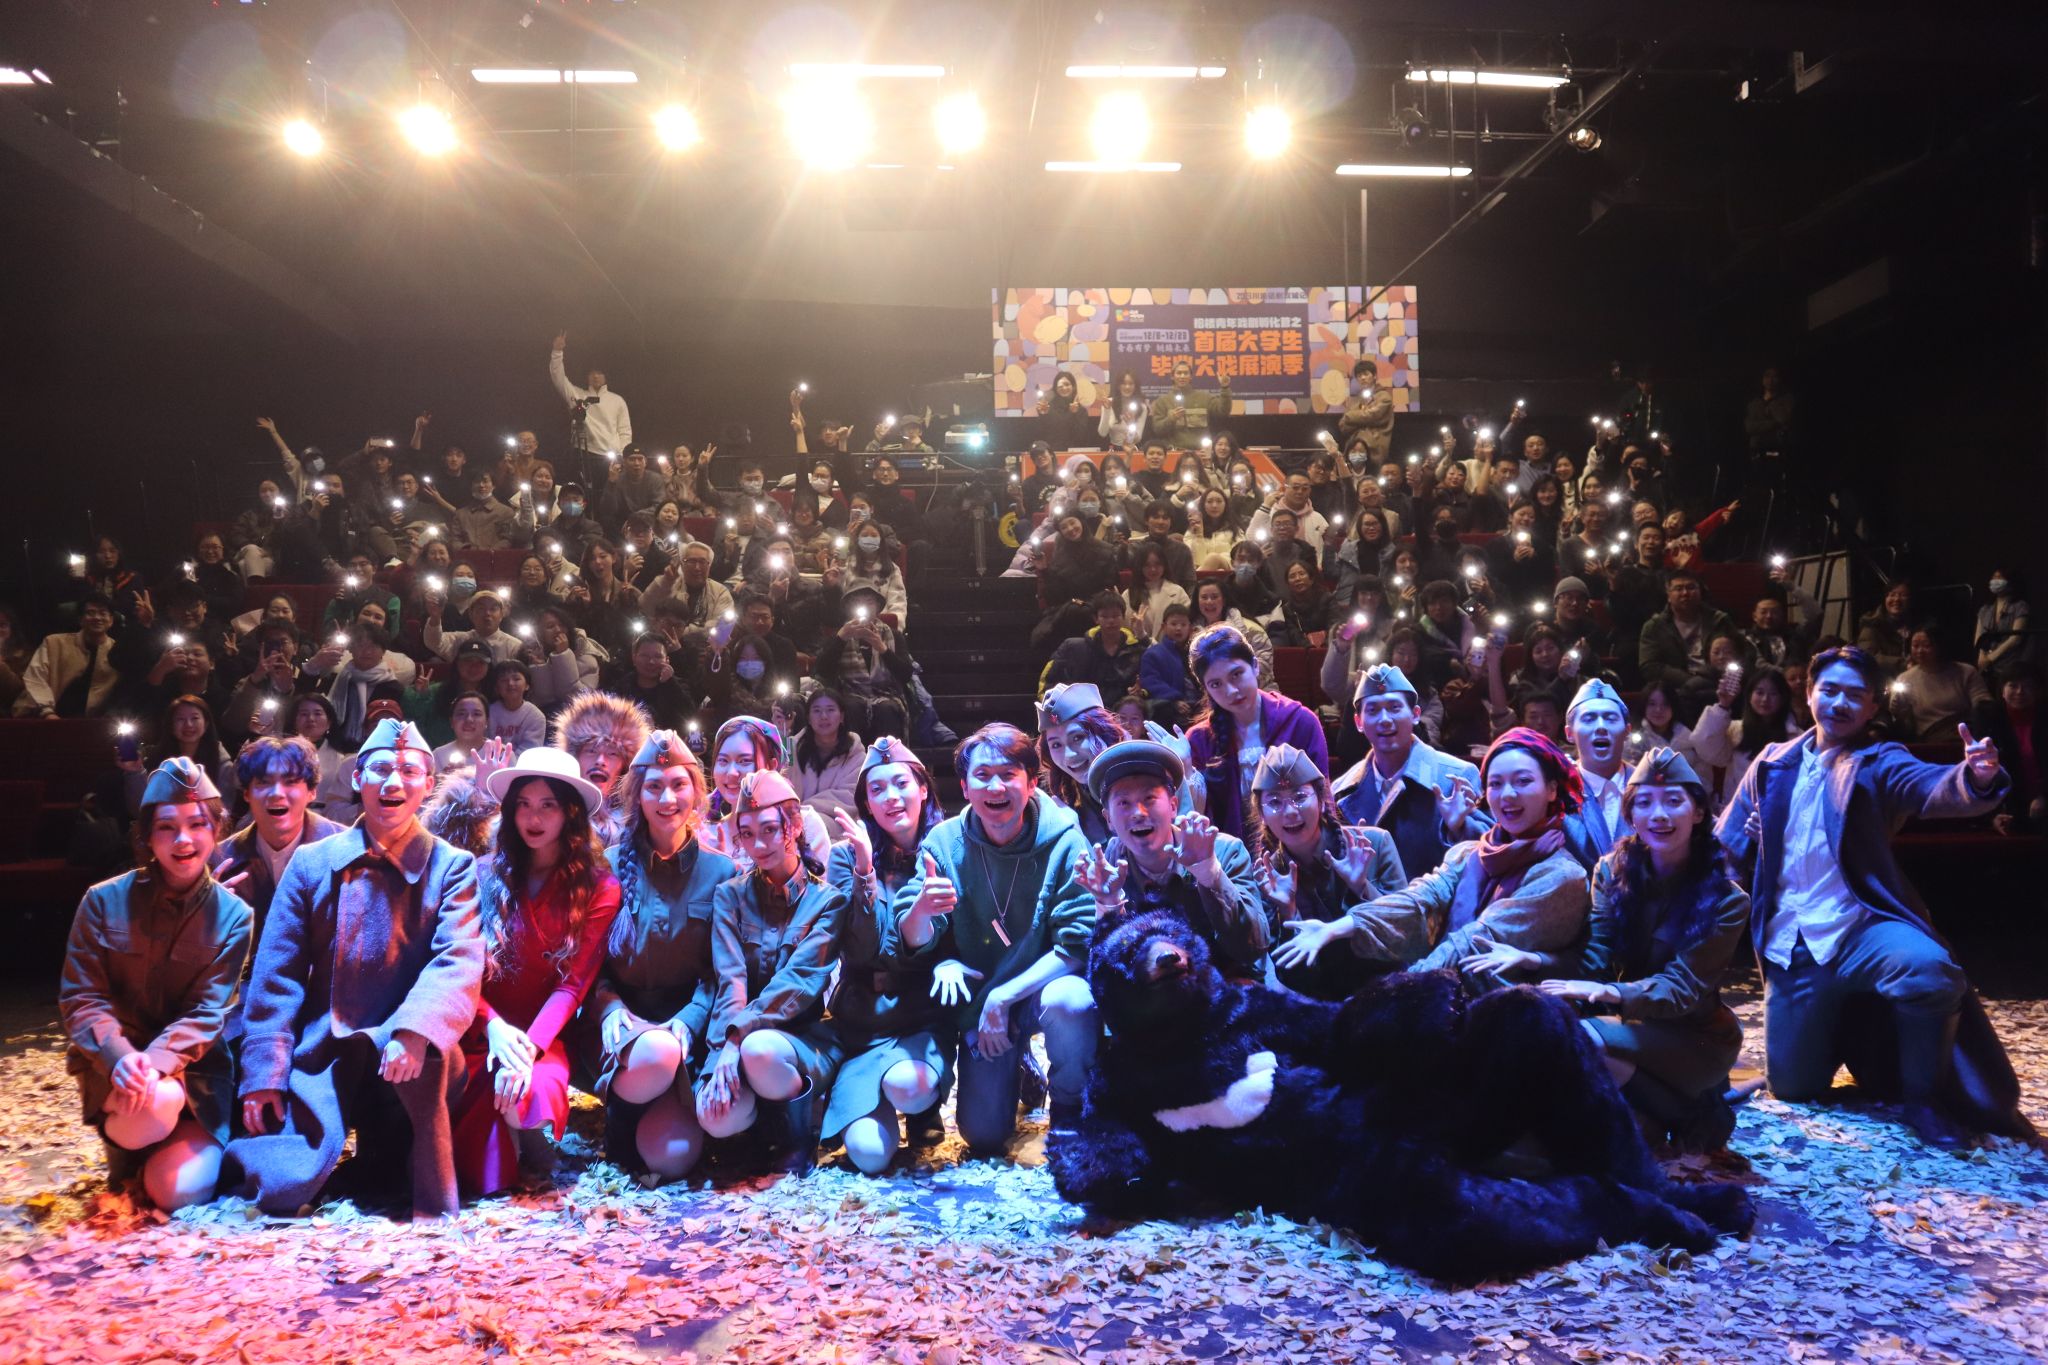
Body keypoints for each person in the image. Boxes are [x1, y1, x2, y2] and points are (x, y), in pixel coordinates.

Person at [1714, 646, 2032, 1148]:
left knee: (1929, 970)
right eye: (1830, 690)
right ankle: (1851, 1034)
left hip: (1859, 927)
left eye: (1855, 695)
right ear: (1809, 693)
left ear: (1871, 708)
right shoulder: (1773, 762)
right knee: (1795, 1089)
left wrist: (1976, 777)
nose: (1840, 703)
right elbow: (1726, 848)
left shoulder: (1877, 761)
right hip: (1794, 945)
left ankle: (1922, 1100)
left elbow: (1931, 787)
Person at [226, 718, 486, 1219]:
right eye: (381, 769)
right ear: (358, 778)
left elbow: (457, 959)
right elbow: (276, 975)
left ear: (427, 784)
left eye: (409, 771)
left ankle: (396, 1158)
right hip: (328, 1044)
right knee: (285, 1186)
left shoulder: (451, 866)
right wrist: (265, 1071)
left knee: (398, 1176)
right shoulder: (312, 863)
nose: (394, 782)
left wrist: (416, 1029)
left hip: (408, 1052)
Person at [60, 758, 254, 1210]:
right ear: (147, 836)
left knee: (175, 1193)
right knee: (154, 1102)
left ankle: (167, 1150)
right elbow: (82, 998)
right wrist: (121, 1059)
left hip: (194, 1079)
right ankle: (133, 1146)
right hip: (120, 1074)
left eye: (197, 824)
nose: (183, 839)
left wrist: (154, 1063)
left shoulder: (234, 916)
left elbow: (208, 1012)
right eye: (167, 827)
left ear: (216, 830)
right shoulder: (102, 901)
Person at [892, 723, 1096, 1148]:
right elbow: (912, 938)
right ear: (965, 788)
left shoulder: (1065, 839)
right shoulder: (944, 842)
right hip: (982, 994)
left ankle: (1070, 1108)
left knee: (1072, 1002)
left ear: (1032, 782)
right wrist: (922, 909)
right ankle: (1018, 1064)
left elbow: (1076, 945)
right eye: (982, 776)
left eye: (1008, 774)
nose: (996, 787)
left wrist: (1003, 999)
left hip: (1041, 986)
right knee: (982, 1135)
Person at [1541, 748, 1750, 1152]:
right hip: (1631, 1026)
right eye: (1645, 803)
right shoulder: (1611, 871)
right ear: (1631, 815)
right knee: (1566, 1042)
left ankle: (1692, 1110)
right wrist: (1540, 968)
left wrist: (1611, 994)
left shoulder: (1728, 899)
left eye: (1673, 801)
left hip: (1696, 1037)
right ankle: (1680, 1111)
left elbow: (1683, 988)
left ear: (1698, 812)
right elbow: (1597, 954)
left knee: (1583, 1040)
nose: (1659, 815)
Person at [1278, 727, 1591, 989]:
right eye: (1496, 784)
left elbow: (1475, 941)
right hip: (1450, 999)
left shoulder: (1562, 875)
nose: (1507, 794)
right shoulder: (1469, 853)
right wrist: (1338, 927)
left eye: (1523, 781)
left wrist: (1398, 992)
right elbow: (1420, 899)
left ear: (1552, 789)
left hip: (1514, 1016)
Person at [450, 749, 621, 1196]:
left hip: (540, 1038)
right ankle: (511, 1141)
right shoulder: (480, 874)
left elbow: (573, 985)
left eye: (548, 805)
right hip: (477, 1029)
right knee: (486, 1178)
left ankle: (526, 1131)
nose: (534, 817)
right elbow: (459, 970)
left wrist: (526, 1050)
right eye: (524, 804)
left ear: (570, 813)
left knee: (526, 1098)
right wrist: (494, 1028)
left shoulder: (599, 887)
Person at [590, 732, 738, 1180]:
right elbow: (588, 964)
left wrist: (690, 1021)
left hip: (687, 1025)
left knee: (670, 1158)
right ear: (637, 794)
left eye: (678, 784)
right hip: (625, 1025)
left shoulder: (721, 871)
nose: (667, 798)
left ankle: (666, 1098)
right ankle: (624, 1107)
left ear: (696, 792)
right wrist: (608, 1006)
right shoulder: (607, 866)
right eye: (654, 787)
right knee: (653, 1057)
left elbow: (721, 971)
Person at [696, 770, 847, 1173]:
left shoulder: (827, 901)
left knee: (759, 1049)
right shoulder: (729, 895)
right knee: (714, 1116)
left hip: (800, 1040)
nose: (758, 845)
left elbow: (797, 984)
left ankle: (798, 1136)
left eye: (769, 829)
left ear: (794, 826)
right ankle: (757, 1131)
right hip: (738, 1036)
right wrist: (722, 1053)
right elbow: (730, 979)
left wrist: (738, 1039)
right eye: (747, 834)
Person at [819, 738, 953, 1172]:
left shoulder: (947, 847)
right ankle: (868, 1099)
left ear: (923, 789)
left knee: (908, 1086)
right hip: (864, 1019)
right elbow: (861, 950)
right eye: (877, 790)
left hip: (920, 1013)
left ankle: (921, 1108)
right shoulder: (845, 856)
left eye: (901, 784)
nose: (891, 797)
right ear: (867, 805)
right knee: (869, 1155)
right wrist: (865, 871)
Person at [1075, 739, 1266, 980]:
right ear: (1109, 819)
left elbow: (1253, 948)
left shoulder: (1222, 851)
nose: (1138, 813)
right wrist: (1109, 906)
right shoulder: (1107, 869)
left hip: (1223, 984)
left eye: (1149, 798)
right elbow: (1106, 976)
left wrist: (1210, 873)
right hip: (1154, 993)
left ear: (1173, 805)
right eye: (1124, 803)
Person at [1247, 744, 1405, 1000]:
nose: (1290, 811)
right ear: (1262, 815)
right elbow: (1298, 980)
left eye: (1300, 797)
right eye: (1274, 802)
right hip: (1324, 1007)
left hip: (1390, 993)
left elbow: (1404, 934)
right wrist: (1288, 911)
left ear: (1321, 802)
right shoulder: (1269, 877)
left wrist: (1361, 887)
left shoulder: (1373, 845)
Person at [209, 739, 349, 1026]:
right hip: (245, 1010)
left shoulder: (348, 851)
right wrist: (206, 917)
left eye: (291, 781)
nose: (276, 793)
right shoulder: (219, 861)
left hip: (331, 1008)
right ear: (246, 793)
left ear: (312, 791)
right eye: (263, 782)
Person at [1330, 663, 1489, 880]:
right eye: (1373, 710)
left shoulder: (1456, 777)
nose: (1385, 720)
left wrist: (1460, 827)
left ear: (1415, 714)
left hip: (1438, 899)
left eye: (1394, 708)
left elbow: (1492, 854)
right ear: (1359, 722)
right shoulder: (1342, 790)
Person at [1183, 627, 1328, 843]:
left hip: (1297, 848)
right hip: (1229, 854)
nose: (1231, 691)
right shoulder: (1199, 739)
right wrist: (1185, 770)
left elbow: (1322, 798)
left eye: (1236, 675)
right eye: (1216, 684)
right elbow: (1196, 818)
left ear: (1255, 666)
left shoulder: (1299, 721)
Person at [701, 715, 834, 870]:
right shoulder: (705, 833)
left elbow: (823, 882)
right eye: (723, 761)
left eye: (744, 761)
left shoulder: (804, 824)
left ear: (771, 766)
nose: (731, 773)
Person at [548, 690, 653, 850]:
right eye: (591, 751)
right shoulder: (553, 807)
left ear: (625, 766)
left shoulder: (640, 819)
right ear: (574, 758)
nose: (600, 761)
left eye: (612, 753)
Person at [1692, 665, 1799, 811]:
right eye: (1759, 692)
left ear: (1783, 698)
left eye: (1773, 693)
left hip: (1779, 810)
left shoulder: (1796, 737)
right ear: (1750, 695)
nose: (1765, 699)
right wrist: (1723, 705)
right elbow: (1705, 746)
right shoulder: (1735, 730)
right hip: (1739, 809)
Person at [1638, 571, 1739, 722]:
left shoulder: (1719, 620)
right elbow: (1649, 666)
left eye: (1691, 587)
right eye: (1678, 589)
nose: (1685, 593)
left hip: (1716, 682)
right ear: (1668, 595)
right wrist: (1690, 680)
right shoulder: (1655, 626)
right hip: (1676, 688)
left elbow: (1740, 653)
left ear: (1700, 591)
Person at [1034, 682, 1128, 844]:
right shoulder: (1067, 806)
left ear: (1104, 733)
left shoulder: (1141, 779)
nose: (1069, 755)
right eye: (1056, 745)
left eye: (1077, 738)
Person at [1562, 679, 1631, 869]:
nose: (1601, 726)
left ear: (1627, 731)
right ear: (1569, 733)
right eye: (1589, 718)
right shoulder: (1556, 794)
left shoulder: (1648, 788)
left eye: (1610, 718)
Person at [14, 594, 122, 716]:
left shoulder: (118, 651)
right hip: (48, 715)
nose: (97, 618)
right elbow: (36, 678)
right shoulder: (53, 643)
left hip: (97, 720)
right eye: (90, 613)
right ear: (80, 619)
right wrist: (47, 712)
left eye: (103, 613)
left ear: (111, 620)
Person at [549, 330, 632, 485]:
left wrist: (622, 455)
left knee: (609, 493)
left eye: (599, 373)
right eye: (592, 373)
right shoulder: (578, 394)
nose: (595, 376)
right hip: (583, 453)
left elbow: (625, 431)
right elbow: (558, 378)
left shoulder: (617, 400)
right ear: (587, 376)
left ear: (606, 376)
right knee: (582, 492)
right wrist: (557, 352)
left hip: (610, 456)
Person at [1039, 591, 1143, 703]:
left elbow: (1145, 686)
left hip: (1123, 709)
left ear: (1123, 617)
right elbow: (1048, 681)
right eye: (1104, 616)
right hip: (1083, 707)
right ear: (1096, 619)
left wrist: (1140, 692)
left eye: (1115, 616)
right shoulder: (1074, 647)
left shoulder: (1136, 650)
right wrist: (1052, 705)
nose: (1111, 621)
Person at [1890, 628, 1993, 741]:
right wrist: (1897, 706)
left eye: (1926, 646)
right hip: (1930, 738)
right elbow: (1899, 715)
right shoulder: (1905, 678)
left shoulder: (1965, 672)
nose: (1920, 651)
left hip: (1966, 733)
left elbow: (1983, 702)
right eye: (1915, 646)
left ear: (1939, 646)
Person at [791, 687, 867, 823]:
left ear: (841, 716)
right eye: (817, 711)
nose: (824, 716)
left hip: (839, 823)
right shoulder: (792, 748)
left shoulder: (856, 754)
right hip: (795, 821)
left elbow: (850, 797)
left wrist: (805, 810)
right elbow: (783, 780)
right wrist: (782, 733)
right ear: (808, 718)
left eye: (830, 710)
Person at [1987, 664, 2045, 835]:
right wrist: (1994, 815)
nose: (2020, 692)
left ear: (2037, 691)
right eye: (2013, 686)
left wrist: (2044, 796)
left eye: (2027, 686)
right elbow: (1984, 773)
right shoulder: (1990, 718)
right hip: (2008, 803)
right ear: (2002, 691)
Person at [1148, 357, 1231, 448]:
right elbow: (1158, 430)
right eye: (1179, 373)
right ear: (1172, 376)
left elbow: (1223, 412)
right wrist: (1171, 418)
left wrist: (1225, 388)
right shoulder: (1163, 401)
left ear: (1191, 377)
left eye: (1186, 373)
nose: (1182, 376)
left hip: (1200, 451)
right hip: (1174, 451)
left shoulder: (1204, 397)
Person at [1138, 603, 1195, 724]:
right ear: (1163, 626)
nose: (1178, 628)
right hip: (1168, 709)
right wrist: (1174, 699)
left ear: (1190, 628)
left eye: (1183, 624)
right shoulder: (1153, 654)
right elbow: (1151, 682)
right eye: (1173, 624)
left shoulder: (1197, 652)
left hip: (1198, 706)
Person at [1623, 681, 1699, 769]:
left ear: (1673, 707)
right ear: (1644, 706)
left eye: (1665, 704)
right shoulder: (1633, 741)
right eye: (1652, 704)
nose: (1658, 710)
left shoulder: (1688, 737)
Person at [1337, 359, 1395, 463]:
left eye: (1366, 374)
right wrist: (1358, 419)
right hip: (1353, 447)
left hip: (1374, 449)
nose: (1362, 378)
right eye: (1359, 376)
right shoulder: (1354, 400)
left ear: (1374, 376)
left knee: (1370, 471)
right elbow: (1343, 425)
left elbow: (1373, 416)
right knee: (1354, 470)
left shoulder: (1384, 396)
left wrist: (1350, 417)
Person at [1975, 569, 2031, 674]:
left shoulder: (2020, 607)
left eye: (2000, 577)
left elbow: (2015, 639)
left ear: (2011, 582)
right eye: (1994, 577)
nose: (1995, 581)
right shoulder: (1985, 609)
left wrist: (1991, 658)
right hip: (1986, 668)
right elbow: (1979, 637)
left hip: (2011, 666)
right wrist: (1982, 656)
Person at [1854, 581, 1916, 673]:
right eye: (1892, 595)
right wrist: (1903, 664)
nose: (1896, 599)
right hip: (1883, 678)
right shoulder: (1872, 624)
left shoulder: (1919, 624)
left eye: (1903, 595)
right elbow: (1868, 656)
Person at [433, 692, 492, 779]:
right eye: (461, 714)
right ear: (451, 722)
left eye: (476, 714)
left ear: (487, 721)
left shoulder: (501, 754)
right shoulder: (438, 755)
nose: (469, 719)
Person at [1034, 370, 1098, 449]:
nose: (1064, 388)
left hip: (1074, 451)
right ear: (1055, 389)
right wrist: (1043, 415)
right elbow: (1042, 435)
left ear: (1073, 386)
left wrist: (1074, 414)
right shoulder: (1048, 408)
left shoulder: (1081, 410)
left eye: (1067, 384)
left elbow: (1081, 437)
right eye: (1060, 386)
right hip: (1053, 451)